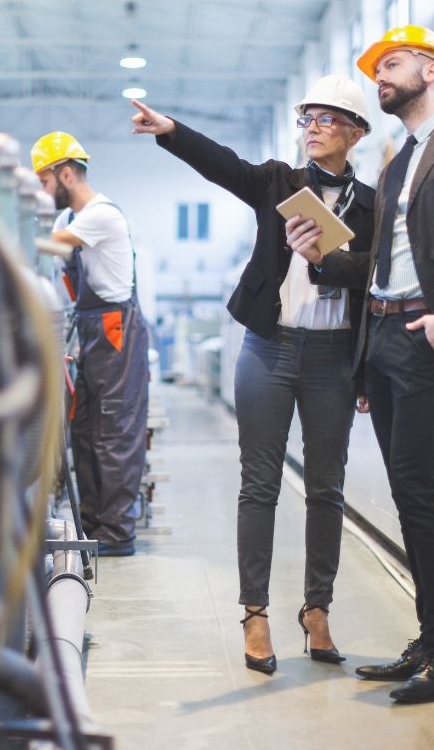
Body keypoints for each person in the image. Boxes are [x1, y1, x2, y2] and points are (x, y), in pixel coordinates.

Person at [286, 26, 434, 703]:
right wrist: (320, 258)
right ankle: (430, 642)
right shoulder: (396, 162)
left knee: (420, 493)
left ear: (431, 68)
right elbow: (378, 269)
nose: (380, 79)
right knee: (408, 496)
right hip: (385, 340)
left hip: (428, 337)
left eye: (390, 66)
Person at [130, 76, 375, 675]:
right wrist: (172, 133)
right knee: (258, 483)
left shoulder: (373, 205)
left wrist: (330, 270)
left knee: (327, 488)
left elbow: (375, 277)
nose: (312, 127)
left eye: (326, 118)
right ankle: (256, 613)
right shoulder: (278, 183)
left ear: (355, 132)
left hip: (333, 357)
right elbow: (223, 165)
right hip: (268, 349)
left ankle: (317, 610)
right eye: (307, 118)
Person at [30, 131, 149, 557]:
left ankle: (117, 531)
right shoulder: (67, 220)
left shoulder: (100, 215)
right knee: (86, 428)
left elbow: (45, 246)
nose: (44, 194)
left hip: (117, 329)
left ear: (66, 173)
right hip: (90, 327)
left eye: (44, 183)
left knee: (114, 430)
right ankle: (94, 523)